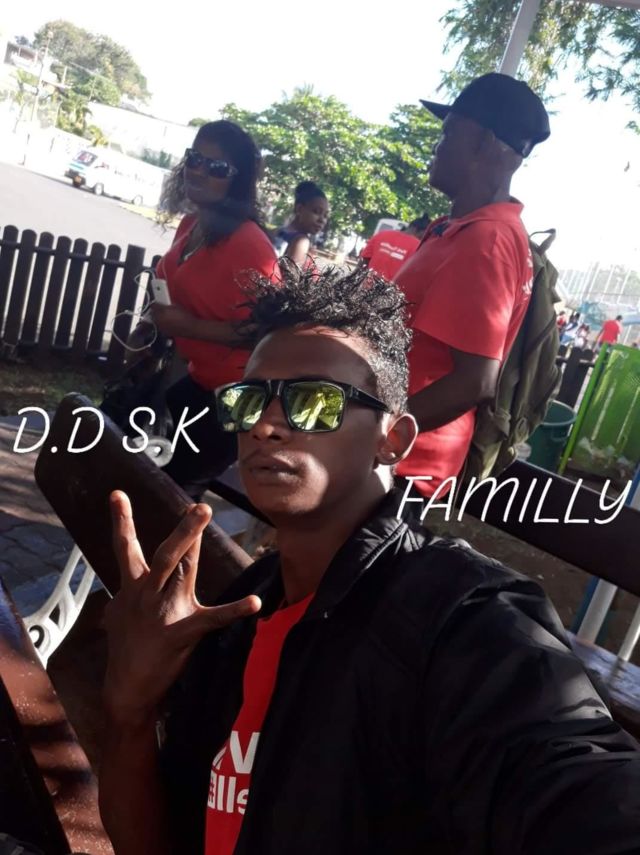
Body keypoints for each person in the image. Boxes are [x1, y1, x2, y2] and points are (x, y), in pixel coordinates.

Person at [99, 264, 640, 855]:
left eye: (314, 401)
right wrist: (130, 711)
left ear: (394, 439)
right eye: (248, 400)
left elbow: (573, 784)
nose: (267, 425)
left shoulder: (461, 620)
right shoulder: (239, 619)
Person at [394, 73, 551, 497]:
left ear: (483, 143)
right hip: (394, 458)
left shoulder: (487, 240)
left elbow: (475, 381)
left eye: (448, 133)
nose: (437, 146)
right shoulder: (463, 229)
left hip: (403, 469)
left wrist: (375, 433)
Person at [148, 120, 278, 500]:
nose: (200, 171)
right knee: (151, 474)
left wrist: (189, 327)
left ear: (238, 181)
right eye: (195, 159)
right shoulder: (192, 224)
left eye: (217, 167)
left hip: (239, 396)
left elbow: (271, 334)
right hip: (199, 380)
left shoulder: (250, 245)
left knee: (171, 496)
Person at [272, 181, 329, 266]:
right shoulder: (301, 241)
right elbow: (290, 275)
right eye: (316, 212)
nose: (322, 220)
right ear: (299, 209)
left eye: (325, 215)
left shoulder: (276, 231)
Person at [359, 214, 430, 280]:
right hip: (391, 288)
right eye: (424, 234)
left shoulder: (382, 235)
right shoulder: (419, 247)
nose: (425, 238)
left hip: (368, 285)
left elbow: (363, 261)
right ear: (415, 229)